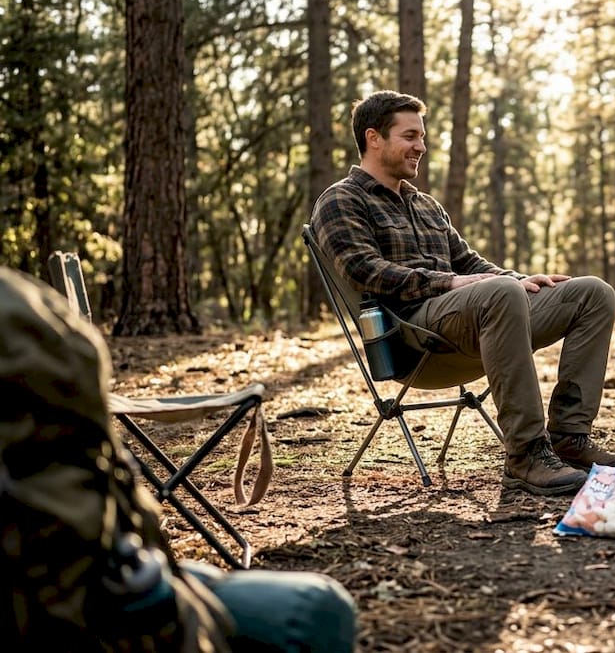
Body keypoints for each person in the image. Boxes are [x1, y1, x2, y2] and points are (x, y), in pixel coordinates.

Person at [0, 266, 358, 652]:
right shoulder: (22, 323)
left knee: (314, 608)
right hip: (96, 601)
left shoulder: (22, 311)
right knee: (314, 612)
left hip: (104, 577)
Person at [311, 90, 615, 496]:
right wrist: (452, 283)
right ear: (374, 139)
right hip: (410, 335)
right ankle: (526, 452)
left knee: (591, 292)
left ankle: (569, 437)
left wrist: (520, 279)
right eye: (409, 136)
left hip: (475, 320)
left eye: (421, 137)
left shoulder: (424, 205)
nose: (420, 146)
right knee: (499, 293)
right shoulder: (340, 200)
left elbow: (469, 264)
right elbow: (363, 271)